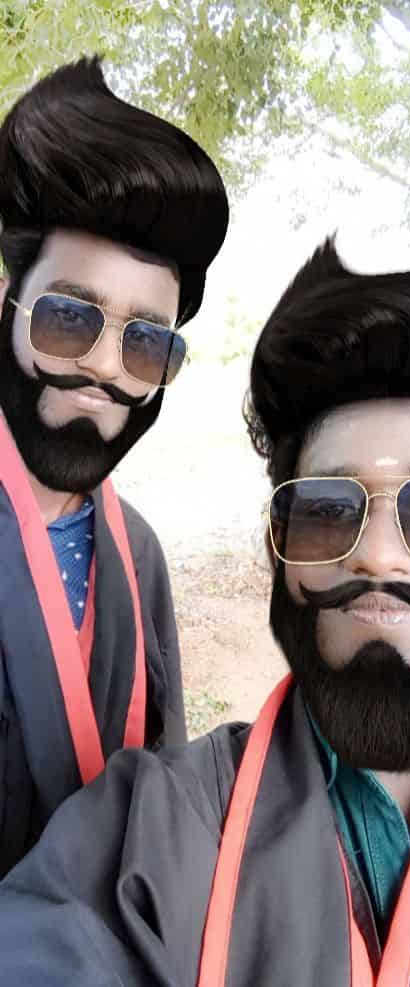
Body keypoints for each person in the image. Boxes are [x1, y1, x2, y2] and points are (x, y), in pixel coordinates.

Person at [2, 239, 410, 986]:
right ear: (277, 551)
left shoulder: (137, 550)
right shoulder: (162, 825)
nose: (380, 557)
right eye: (328, 510)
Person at [0, 55, 228, 876]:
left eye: (146, 342)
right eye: (70, 318)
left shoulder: (141, 555)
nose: (103, 366)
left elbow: (163, 784)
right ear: (8, 306)